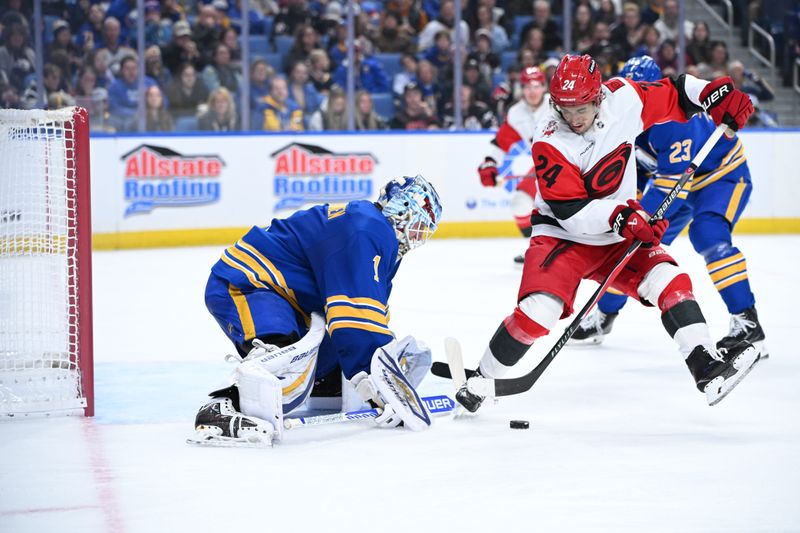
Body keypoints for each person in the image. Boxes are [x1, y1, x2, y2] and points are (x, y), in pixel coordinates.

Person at [455, 54, 760, 414]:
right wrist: (624, 217)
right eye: (566, 108)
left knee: (669, 278)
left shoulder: (624, 100)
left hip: (615, 234)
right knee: (540, 312)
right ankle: (479, 380)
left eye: (582, 105)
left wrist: (712, 93)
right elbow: (570, 211)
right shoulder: (550, 139)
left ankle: (706, 367)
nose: (574, 117)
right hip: (562, 237)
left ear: (599, 95)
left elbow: (676, 91)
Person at [189, 175, 443, 446]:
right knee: (282, 359)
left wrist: (369, 375)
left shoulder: (377, 236)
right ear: (402, 210)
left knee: (324, 353)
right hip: (250, 282)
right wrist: (379, 383)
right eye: (418, 222)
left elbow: (368, 313)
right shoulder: (367, 227)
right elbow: (356, 315)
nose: (419, 233)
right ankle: (222, 406)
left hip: (293, 301)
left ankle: (325, 383)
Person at [571, 56, 767, 360]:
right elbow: (633, 172)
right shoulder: (619, 113)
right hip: (677, 182)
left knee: (708, 235)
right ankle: (604, 316)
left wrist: (639, 217)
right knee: (630, 249)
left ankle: (748, 324)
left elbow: (670, 188)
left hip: (721, 177)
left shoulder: (671, 123)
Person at [477, 66, 550, 264]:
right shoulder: (517, 113)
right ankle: (536, 249)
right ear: (522, 89)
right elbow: (501, 143)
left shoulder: (558, 105)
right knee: (520, 204)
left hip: (573, 167)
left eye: (536, 86)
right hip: (544, 169)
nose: (532, 91)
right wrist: (490, 164)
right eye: (528, 86)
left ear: (544, 87)